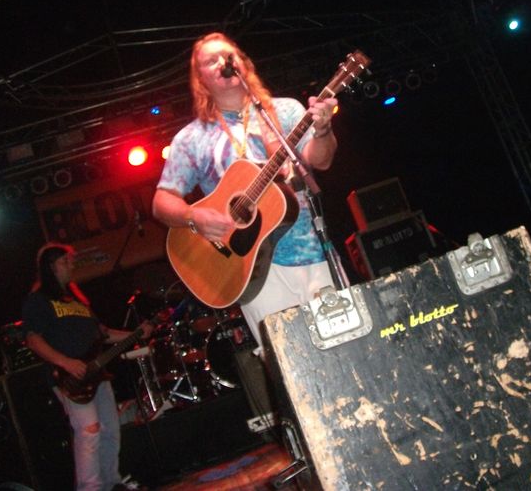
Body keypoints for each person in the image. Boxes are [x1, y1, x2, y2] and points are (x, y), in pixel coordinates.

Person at [152, 32, 339, 353]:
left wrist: (323, 129)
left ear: (244, 63)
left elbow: (319, 161)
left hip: (313, 250)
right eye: (211, 61)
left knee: (342, 346)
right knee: (291, 361)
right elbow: (161, 203)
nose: (222, 63)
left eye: (229, 56)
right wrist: (193, 215)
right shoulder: (191, 139)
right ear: (200, 79)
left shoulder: (285, 111)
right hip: (250, 269)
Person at [22, 242, 154, 491]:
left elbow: (103, 334)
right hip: (69, 376)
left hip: (96, 373)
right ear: (51, 266)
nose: (71, 265)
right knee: (89, 430)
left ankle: (112, 482)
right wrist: (66, 362)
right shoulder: (38, 301)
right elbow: (33, 340)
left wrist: (135, 333)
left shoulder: (77, 301)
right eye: (65, 261)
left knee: (110, 428)